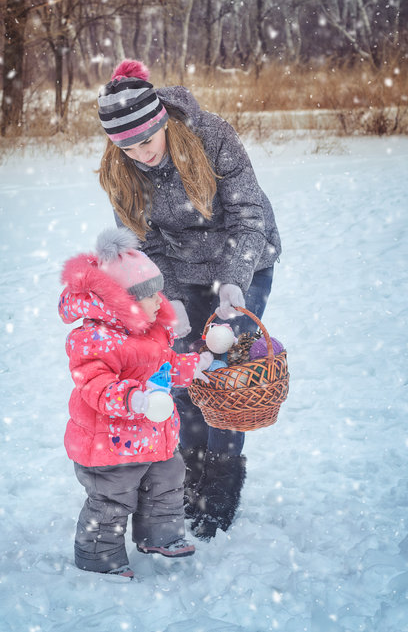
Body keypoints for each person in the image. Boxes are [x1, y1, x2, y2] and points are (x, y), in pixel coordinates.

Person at [97, 59, 282, 540]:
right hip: (179, 271)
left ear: (162, 124)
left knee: (226, 377)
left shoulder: (212, 135)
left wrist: (232, 282)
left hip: (242, 262)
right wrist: (172, 298)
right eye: (126, 146)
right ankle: (190, 475)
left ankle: (220, 482)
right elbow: (146, 242)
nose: (140, 154)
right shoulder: (121, 171)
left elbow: (248, 214)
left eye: (146, 141)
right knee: (184, 375)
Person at [59, 226, 213, 578]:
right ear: (124, 301)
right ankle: (99, 556)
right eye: (150, 295)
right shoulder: (93, 339)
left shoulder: (153, 331)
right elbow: (94, 385)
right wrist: (135, 400)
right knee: (112, 500)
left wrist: (195, 365)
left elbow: (165, 367)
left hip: (153, 436)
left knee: (167, 481)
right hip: (110, 443)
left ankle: (161, 535)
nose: (160, 301)